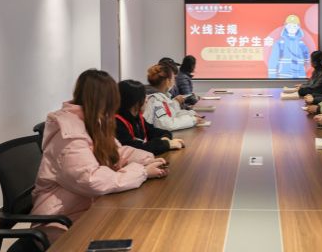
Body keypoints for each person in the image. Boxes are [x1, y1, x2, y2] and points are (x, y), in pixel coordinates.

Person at [30, 69, 168, 243]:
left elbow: (116, 152)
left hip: (88, 207)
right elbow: (91, 180)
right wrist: (142, 172)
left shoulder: (94, 121)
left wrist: (147, 159)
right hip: (60, 222)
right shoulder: (69, 134)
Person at [116, 79, 185, 155]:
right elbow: (135, 150)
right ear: (135, 102)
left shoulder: (138, 118)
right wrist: (165, 144)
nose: (146, 100)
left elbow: (158, 132)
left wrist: (165, 139)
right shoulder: (117, 123)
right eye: (144, 97)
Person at [144, 64, 205, 131]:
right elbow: (166, 124)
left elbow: (172, 114)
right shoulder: (155, 100)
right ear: (167, 81)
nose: (174, 82)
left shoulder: (162, 97)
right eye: (173, 79)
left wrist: (191, 114)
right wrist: (192, 120)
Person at [267, 14, 310, 78]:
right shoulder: (280, 43)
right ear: (286, 26)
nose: (292, 28)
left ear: (298, 27)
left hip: (300, 76)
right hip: (284, 76)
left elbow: (307, 60)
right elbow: (273, 60)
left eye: (294, 26)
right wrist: (272, 77)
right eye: (290, 26)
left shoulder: (301, 44)